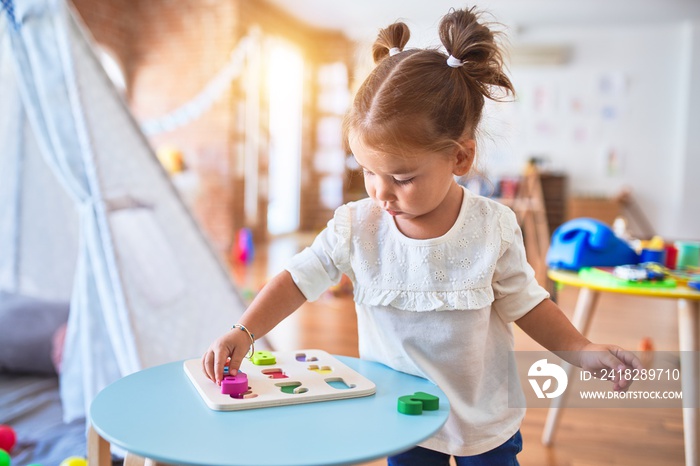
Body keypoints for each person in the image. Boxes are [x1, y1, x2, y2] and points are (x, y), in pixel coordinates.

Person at [203, 6, 641, 465]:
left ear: (460, 158)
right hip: (400, 420)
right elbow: (298, 278)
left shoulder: (491, 227)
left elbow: (528, 304)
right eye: (368, 171)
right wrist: (245, 329)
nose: (381, 192)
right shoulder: (357, 224)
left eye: (402, 177)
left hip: (483, 423)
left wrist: (583, 349)